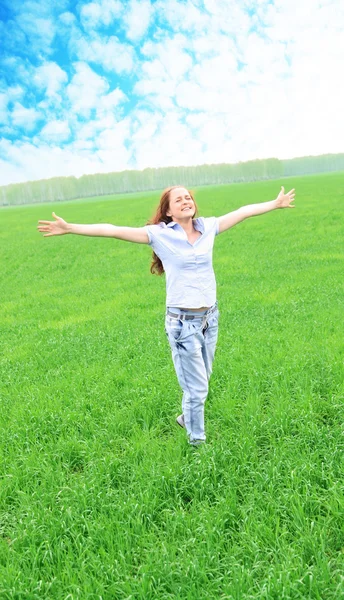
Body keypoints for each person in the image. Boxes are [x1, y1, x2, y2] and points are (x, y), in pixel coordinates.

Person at [37, 184, 295, 446]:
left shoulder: (209, 228)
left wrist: (274, 204)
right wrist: (70, 228)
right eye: (178, 200)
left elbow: (243, 211)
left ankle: (186, 417)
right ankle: (198, 445)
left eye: (188, 198)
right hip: (183, 324)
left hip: (210, 318)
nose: (186, 201)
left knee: (203, 380)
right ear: (169, 211)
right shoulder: (158, 235)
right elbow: (112, 230)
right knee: (197, 389)